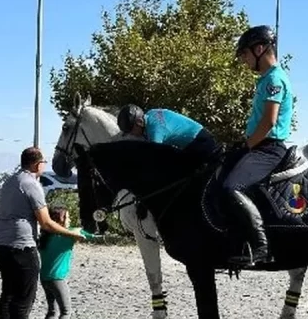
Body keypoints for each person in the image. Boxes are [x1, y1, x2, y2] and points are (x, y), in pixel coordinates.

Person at [0, 146, 86, 319]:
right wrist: (72, 234)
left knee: (8, 295)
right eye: (43, 162)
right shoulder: (31, 185)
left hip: (2, 244)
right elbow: (46, 222)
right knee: (23, 299)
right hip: (21, 246)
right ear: (37, 164)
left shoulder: (10, 181)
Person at [221, 24, 294, 267]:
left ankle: (261, 246)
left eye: (244, 54)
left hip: (269, 148)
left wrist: (247, 145)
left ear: (260, 49)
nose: (243, 60)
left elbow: (269, 121)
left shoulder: (274, 78)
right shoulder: (264, 80)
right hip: (259, 145)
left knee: (233, 187)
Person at [37, 206, 96, 319]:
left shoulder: (45, 237)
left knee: (52, 310)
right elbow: (91, 236)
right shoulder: (69, 235)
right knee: (66, 311)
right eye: (67, 218)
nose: (70, 220)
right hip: (58, 279)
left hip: (44, 277)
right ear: (61, 220)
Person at [116, 106, 219, 165]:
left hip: (200, 144)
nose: (132, 134)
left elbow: (153, 160)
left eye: (131, 131)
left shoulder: (155, 133)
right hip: (200, 137)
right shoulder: (151, 113)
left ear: (139, 122)